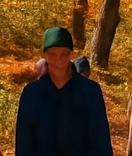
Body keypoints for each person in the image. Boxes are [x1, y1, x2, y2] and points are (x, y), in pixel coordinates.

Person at [15, 27, 112, 156]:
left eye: (63, 54)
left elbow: (100, 138)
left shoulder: (89, 91)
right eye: (52, 54)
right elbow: (24, 140)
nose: (58, 59)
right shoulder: (32, 93)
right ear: (45, 55)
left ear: (70, 54)